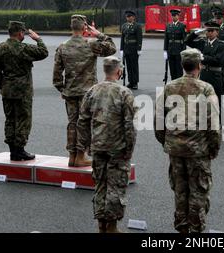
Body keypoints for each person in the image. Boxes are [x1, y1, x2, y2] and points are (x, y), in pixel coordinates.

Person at [154, 48, 221, 233]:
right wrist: (213, 148)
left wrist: (167, 142)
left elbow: (159, 120)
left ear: (183, 65)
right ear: (199, 66)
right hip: (198, 151)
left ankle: (182, 230)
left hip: (175, 151)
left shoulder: (169, 88)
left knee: (180, 193)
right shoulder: (206, 89)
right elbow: (213, 124)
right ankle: (196, 232)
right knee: (198, 193)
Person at [77, 56, 137, 233]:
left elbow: (82, 120)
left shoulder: (92, 91)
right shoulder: (124, 93)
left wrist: (86, 144)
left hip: (98, 147)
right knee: (116, 187)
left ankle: (101, 225)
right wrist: (129, 149)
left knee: (100, 185)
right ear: (119, 72)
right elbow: (129, 126)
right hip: (117, 149)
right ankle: (112, 227)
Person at [53, 14, 116, 167]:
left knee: (72, 123)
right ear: (84, 28)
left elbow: (56, 75)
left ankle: (72, 155)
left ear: (71, 27)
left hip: (70, 92)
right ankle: (81, 155)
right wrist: (98, 33)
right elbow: (112, 48)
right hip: (88, 93)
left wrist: (63, 89)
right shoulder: (91, 44)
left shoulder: (63, 46)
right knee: (85, 123)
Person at [0, 21, 48, 161]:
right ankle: (20, 150)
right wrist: (38, 39)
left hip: (7, 90)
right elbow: (44, 52)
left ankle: (12, 150)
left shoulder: (0, 48)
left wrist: (2, 85)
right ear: (19, 33)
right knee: (23, 119)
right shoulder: (24, 48)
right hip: (22, 91)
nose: (24, 34)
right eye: (23, 32)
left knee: (10, 119)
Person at [185, 21, 224, 111]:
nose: (209, 33)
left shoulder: (222, 44)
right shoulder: (203, 42)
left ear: (217, 32)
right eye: (207, 30)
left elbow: (218, 60)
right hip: (204, 75)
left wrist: (203, 57)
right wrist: (196, 33)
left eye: (211, 31)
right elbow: (188, 41)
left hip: (215, 76)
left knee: (215, 103)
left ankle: (216, 124)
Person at [120, 10, 143, 90]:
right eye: (127, 17)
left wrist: (139, 49)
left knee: (134, 66)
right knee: (128, 66)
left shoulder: (137, 26)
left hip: (133, 48)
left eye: (129, 17)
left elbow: (139, 38)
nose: (128, 18)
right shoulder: (124, 26)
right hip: (126, 48)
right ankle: (130, 81)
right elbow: (122, 38)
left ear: (133, 17)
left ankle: (135, 82)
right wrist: (121, 49)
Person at [164, 9, 187, 80]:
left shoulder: (182, 26)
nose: (173, 17)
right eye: (172, 16)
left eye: (175, 15)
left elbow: (184, 40)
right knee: (172, 68)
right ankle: (173, 82)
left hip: (179, 49)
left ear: (178, 16)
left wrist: (184, 50)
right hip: (170, 50)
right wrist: (165, 50)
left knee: (179, 68)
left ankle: (179, 83)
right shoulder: (168, 26)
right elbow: (166, 39)